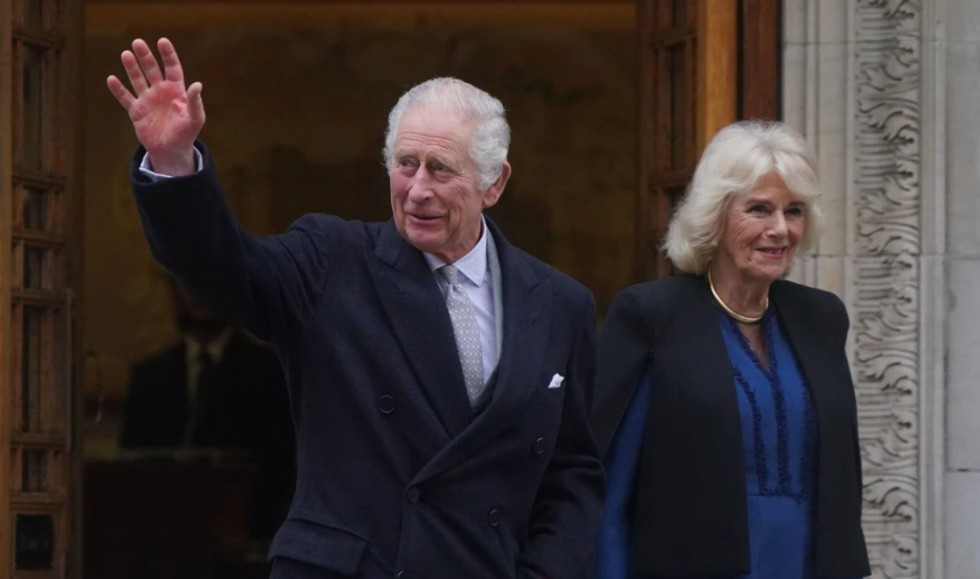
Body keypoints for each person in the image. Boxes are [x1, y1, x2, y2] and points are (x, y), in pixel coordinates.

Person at [107, 37, 604, 579]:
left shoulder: (559, 304)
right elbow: (224, 269)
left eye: (440, 170)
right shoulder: (331, 261)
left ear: (494, 183)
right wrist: (174, 162)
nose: (416, 190)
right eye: (405, 164)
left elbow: (571, 475)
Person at [591, 121, 870, 579]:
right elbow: (610, 486)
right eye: (759, 209)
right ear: (715, 215)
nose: (780, 229)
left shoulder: (821, 318)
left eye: (794, 211)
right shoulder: (652, 316)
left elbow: (840, 480)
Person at [120, 278, 295, 540]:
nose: (198, 292)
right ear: (174, 292)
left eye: (207, 278)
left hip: (246, 538)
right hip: (162, 540)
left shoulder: (269, 371)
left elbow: (281, 466)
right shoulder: (148, 375)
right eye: (187, 281)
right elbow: (132, 466)